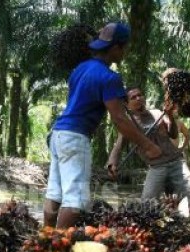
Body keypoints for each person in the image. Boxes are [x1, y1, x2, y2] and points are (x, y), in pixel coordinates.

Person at [44, 22, 162, 229]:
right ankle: (56, 249)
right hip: (75, 137)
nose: (125, 52)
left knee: (55, 191)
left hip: (58, 134)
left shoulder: (80, 69)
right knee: (75, 197)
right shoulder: (109, 77)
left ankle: (44, 238)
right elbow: (119, 119)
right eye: (124, 48)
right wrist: (147, 145)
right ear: (116, 48)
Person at [107, 86, 190, 212]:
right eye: (133, 97)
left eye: (140, 95)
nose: (138, 98)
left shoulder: (158, 113)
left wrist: (170, 116)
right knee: (147, 206)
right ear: (127, 104)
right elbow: (118, 146)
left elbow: (173, 134)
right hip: (156, 167)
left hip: (176, 163)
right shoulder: (128, 124)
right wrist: (112, 163)